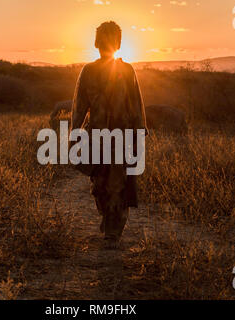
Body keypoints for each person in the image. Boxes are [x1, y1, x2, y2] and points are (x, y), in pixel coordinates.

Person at [70, 21, 148, 249]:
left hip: (122, 137)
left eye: (109, 39)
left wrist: (139, 133)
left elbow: (135, 104)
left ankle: (114, 230)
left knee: (118, 184)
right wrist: (75, 133)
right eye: (103, 39)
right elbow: (79, 106)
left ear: (117, 43)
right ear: (97, 43)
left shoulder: (127, 71)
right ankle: (108, 219)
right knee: (99, 183)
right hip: (96, 136)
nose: (105, 43)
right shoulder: (88, 71)